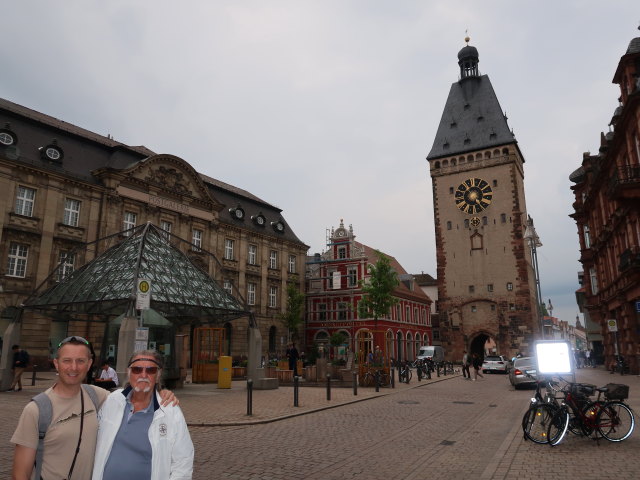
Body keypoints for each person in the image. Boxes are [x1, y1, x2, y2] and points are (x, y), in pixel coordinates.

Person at [10, 336, 178, 480]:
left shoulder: (97, 396)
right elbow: (20, 473)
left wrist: (161, 392)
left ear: (89, 364)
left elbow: (135, 394)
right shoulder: (37, 410)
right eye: (67, 360)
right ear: (56, 363)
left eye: (80, 361)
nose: (73, 368)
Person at [92, 350, 193, 479]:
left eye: (151, 370)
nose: (143, 375)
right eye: (137, 369)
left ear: (158, 375)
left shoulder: (170, 410)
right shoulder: (112, 400)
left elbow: (183, 462)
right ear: (129, 373)